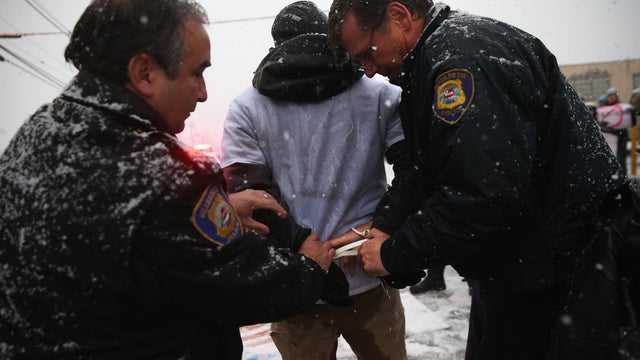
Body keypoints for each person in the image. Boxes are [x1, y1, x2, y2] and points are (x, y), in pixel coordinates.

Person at [0, 1, 338, 358]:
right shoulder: (168, 177)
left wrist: (211, 214)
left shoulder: (36, 133)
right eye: (196, 72)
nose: (203, 92)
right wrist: (309, 268)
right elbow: (242, 285)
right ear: (144, 73)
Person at [328, 1, 636, 359]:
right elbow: (431, 170)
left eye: (367, 52)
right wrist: (384, 226)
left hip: (560, 272)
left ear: (399, 17)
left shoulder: (462, 61)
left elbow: (483, 196)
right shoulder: (435, 57)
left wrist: (393, 253)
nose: (367, 71)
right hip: (520, 266)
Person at [220, 2, 420, 359]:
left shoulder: (248, 107)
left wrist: (306, 249)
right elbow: (413, 173)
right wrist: (378, 228)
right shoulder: (379, 95)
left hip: (296, 283)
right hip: (367, 271)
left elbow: (252, 198)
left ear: (275, 45)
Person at [597, 87, 636, 175]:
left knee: (620, 160)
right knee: (609, 160)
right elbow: (599, 124)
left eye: (613, 96)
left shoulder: (624, 109)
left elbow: (631, 122)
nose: (611, 98)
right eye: (610, 96)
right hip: (608, 140)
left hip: (620, 139)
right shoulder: (601, 111)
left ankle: (622, 178)